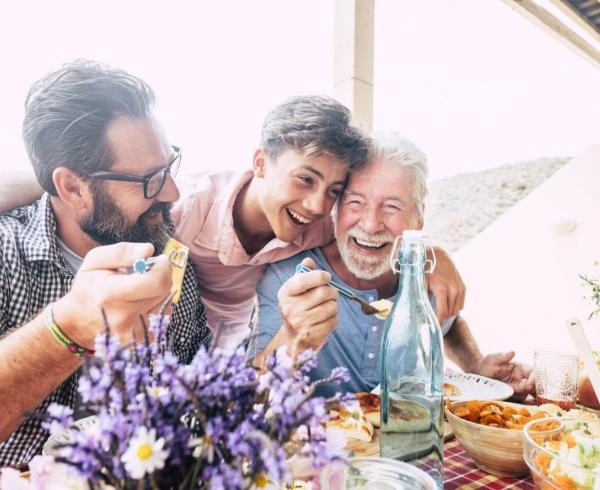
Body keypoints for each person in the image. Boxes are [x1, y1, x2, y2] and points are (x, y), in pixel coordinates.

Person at [0, 94, 466, 347]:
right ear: (261, 163)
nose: (318, 204)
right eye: (304, 179)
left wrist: (429, 251)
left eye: (334, 191)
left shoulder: (324, 218)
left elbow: (376, 230)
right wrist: (50, 182)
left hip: (226, 352)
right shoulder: (177, 216)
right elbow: (92, 201)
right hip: (189, 341)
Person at [0, 61, 211, 465]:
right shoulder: (7, 251)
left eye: (169, 167)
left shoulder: (170, 258)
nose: (172, 192)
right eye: (150, 179)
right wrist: (65, 330)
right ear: (73, 188)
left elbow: (194, 407)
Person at [251, 132, 535, 400]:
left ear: (419, 218)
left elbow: (447, 324)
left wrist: (476, 366)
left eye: (391, 207)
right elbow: (250, 396)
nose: (371, 224)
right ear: (335, 209)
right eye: (355, 202)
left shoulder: (424, 276)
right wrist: (291, 336)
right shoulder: (289, 278)